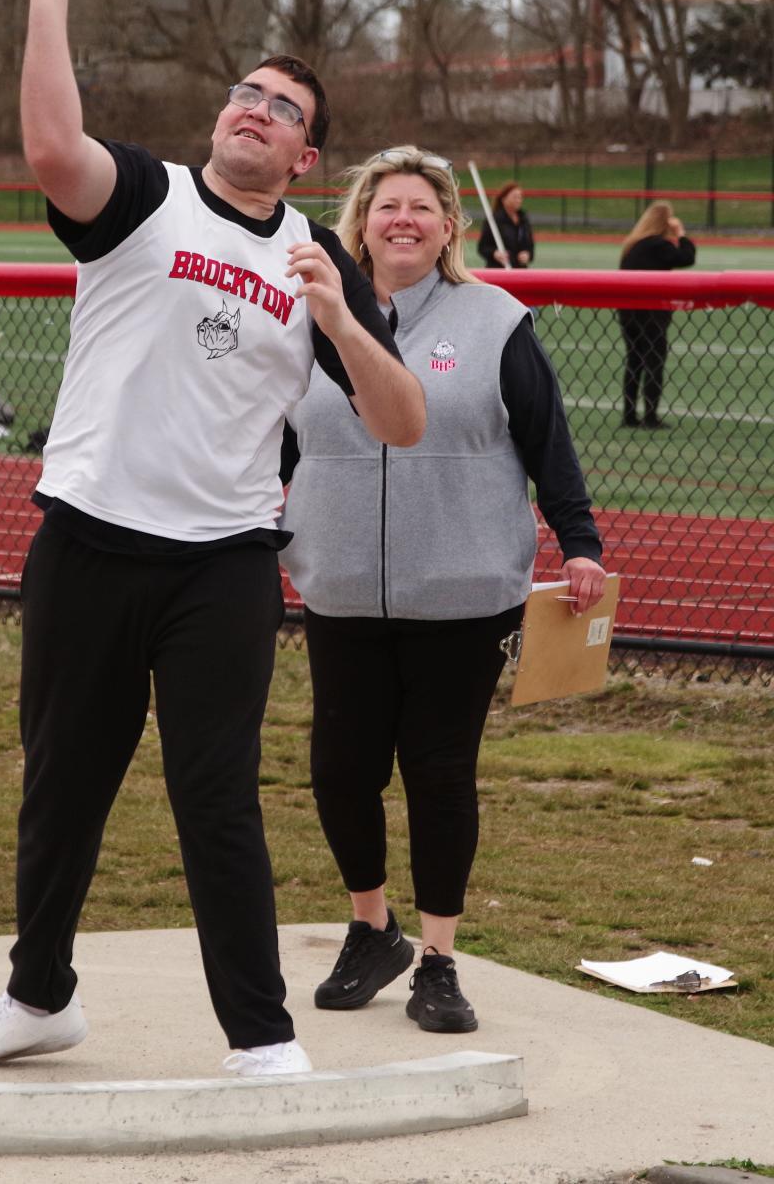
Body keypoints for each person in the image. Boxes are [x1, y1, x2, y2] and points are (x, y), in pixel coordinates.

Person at [0, 0, 424, 1079]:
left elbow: (402, 420)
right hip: (88, 542)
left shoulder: (318, 261)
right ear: (221, 116)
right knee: (64, 787)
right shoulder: (148, 196)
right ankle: (37, 997)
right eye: (246, 93)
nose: (256, 110)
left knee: (216, 798)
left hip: (224, 564)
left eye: (284, 109)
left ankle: (260, 1036)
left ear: (307, 156)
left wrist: (344, 317)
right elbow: (51, 147)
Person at [281, 145, 606, 1033]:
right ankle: (370, 927)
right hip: (339, 583)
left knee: (437, 773)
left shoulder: (496, 317)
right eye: (389, 206)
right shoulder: (310, 318)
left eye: (423, 208)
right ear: (362, 220)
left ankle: (438, 957)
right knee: (340, 771)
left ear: (449, 226)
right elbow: (278, 444)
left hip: (464, 592)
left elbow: (548, 442)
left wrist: (579, 542)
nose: (404, 221)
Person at [617, 201, 696, 430]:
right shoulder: (657, 245)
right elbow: (686, 257)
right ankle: (650, 416)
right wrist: (681, 233)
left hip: (628, 312)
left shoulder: (633, 244)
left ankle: (629, 415)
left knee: (635, 361)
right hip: (650, 314)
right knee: (654, 361)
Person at [477, 181, 534, 269]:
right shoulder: (494, 220)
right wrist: (495, 253)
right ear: (503, 199)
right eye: (515, 197)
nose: (518, 200)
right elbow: (482, 247)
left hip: (520, 271)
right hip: (498, 270)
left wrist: (527, 255)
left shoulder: (524, 220)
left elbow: (530, 246)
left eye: (520, 197)